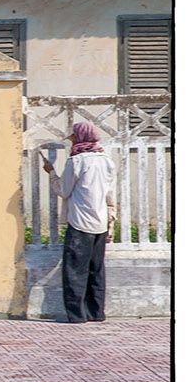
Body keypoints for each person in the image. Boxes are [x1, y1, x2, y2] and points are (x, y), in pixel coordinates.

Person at [42, 122, 116, 323]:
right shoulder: (106, 160)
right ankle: (96, 312)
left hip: (80, 222)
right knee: (96, 269)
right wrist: (111, 222)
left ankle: (76, 316)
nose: (72, 140)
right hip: (100, 222)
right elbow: (110, 195)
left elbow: (63, 191)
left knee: (75, 270)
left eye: (74, 137)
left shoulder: (77, 162)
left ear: (80, 137)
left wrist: (51, 172)